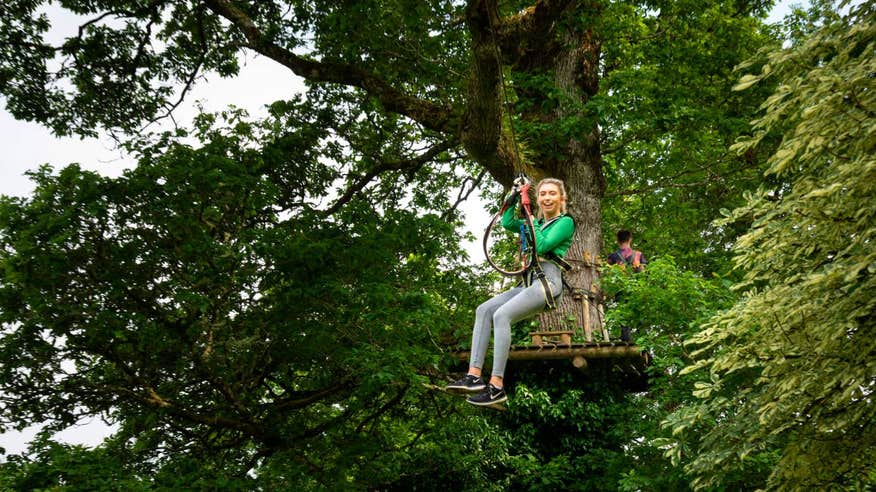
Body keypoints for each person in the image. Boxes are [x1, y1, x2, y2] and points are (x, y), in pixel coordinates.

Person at [447, 178, 575, 406]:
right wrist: (515, 195)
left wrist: (530, 216)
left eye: (552, 194)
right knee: (484, 310)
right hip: (528, 282)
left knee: (501, 315)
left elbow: (543, 246)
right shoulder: (532, 223)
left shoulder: (565, 222)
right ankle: (474, 376)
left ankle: (496, 386)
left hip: (547, 281)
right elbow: (507, 222)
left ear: (561, 199)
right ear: (538, 198)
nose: (546, 198)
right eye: (542, 194)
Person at [606, 230, 647, 342]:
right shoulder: (638, 254)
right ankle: (643, 340)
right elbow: (643, 273)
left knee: (623, 316)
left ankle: (626, 340)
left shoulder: (613, 256)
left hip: (621, 289)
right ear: (630, 239)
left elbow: (606, 273)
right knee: (639, 315)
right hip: (637, 289)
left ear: (618, 240)